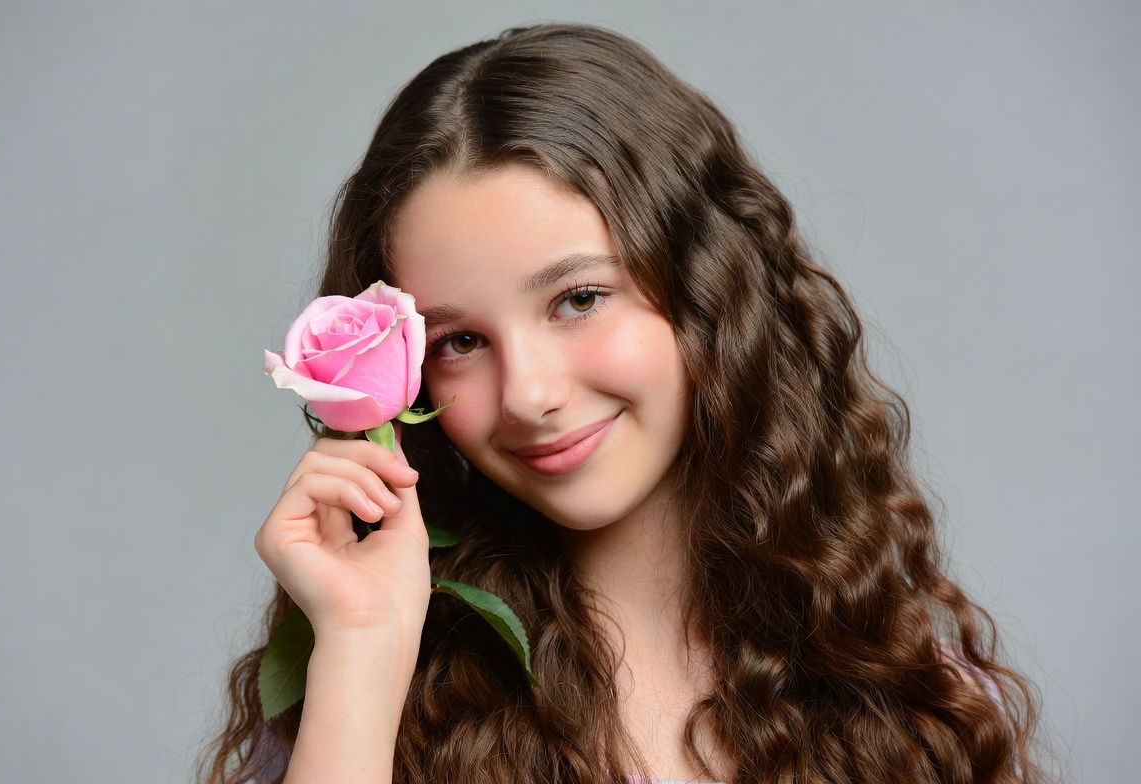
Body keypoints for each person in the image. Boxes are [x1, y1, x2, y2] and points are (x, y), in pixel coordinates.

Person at [201, 23, 1043, 784]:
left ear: (707, 286)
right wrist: (362, 647)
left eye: (577, 299)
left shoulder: (912, 698)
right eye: (460, 342)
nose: (530, 395)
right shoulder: (371, 711)